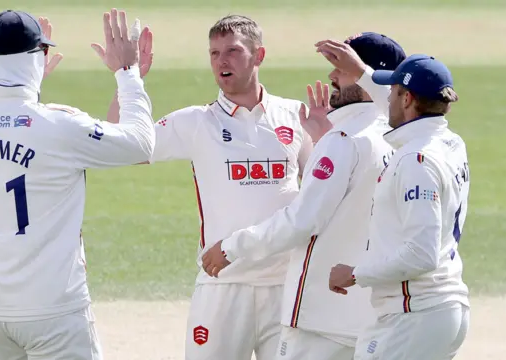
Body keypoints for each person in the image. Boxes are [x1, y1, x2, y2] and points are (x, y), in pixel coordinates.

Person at [0, 8, 155, 359]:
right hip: (54, 309)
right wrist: (128, 75)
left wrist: (31, 89)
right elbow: (140, 145)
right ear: (37, 57)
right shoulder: (58, 125)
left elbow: (12, 125)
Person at [107, 14, 313, 360]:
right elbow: (123, 144)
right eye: (214, 53)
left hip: (286, 284)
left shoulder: (297, 116)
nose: (222, 61)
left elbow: (321, 196)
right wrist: (130, 81)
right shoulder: (196, 121)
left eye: (232, 51)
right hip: (223, 284)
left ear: (258, 56)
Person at [201, 32, 406, 360]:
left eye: (340, 67)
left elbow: (303, 221)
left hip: (319, 320)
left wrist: (232, 246)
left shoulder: (344, 140)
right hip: (369, 315)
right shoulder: (397, 139)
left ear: (366, 73)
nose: (332, 76)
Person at [321, 42, 471, 360]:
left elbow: (421, 253)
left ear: (407, 98)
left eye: (392, 91)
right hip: (439, 311)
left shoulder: (416, 160)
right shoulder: (450, 142)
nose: (385, 98)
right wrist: (360, 71)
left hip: (415, 313)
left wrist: (355, 273)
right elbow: (405, 115)